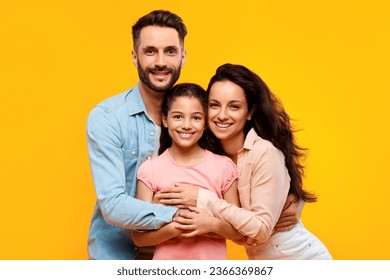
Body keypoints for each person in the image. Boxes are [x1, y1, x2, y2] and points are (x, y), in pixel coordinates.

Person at [86, 9, 300, 260]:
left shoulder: (201, 116)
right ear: (135, 57)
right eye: (150, 51)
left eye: (170, 51)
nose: (161, 62)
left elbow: (243, 156)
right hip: (118, 256)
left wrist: (287, 198)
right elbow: (112, 206)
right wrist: (184, 213)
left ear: (183, 57)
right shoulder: (108, 117)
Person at [163, 63, 333, 259]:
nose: (222, 115)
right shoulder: (209, 156)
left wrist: (204, 199)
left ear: (250, 112)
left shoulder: (264, 152)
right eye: (214, 105)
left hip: (300, 258)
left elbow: (260, 230)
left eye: (234, 106)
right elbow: (240, 231)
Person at [131, 83, 243, 259]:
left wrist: (211, 224)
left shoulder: (224, 167)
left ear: (205, 122)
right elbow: (139, 238)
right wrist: (176, 227)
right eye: (178, 117)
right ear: (165, 120)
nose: (186, 125)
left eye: (196, 118)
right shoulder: (150, 170)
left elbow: (239, 231)